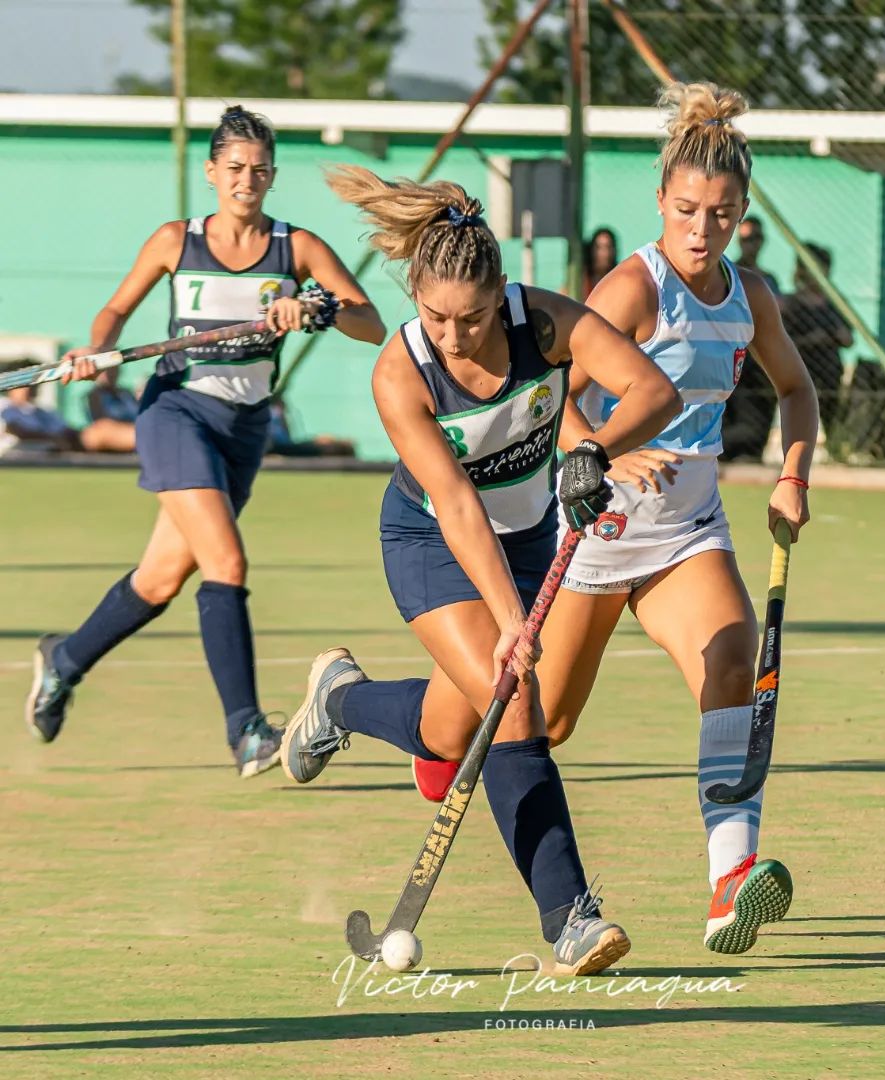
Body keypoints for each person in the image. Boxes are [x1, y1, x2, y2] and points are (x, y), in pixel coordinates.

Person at [279, 169, 680, 974]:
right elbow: (459, 505)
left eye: (471, 318)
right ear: (416, 301)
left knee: (452, 727)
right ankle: (571, 918)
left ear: (501, 297)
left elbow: (654, 390)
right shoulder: (401, 373)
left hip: (528, 538)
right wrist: (508, 621)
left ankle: (340, 699)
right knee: (518, 703)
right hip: (431, 540)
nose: (454, 337)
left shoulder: (548, 324)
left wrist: (594, 449)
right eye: (435, 318)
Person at [537, 83, 819, 956]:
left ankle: (731, 881)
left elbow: (797, 389)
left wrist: (793, 474)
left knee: (732, 665)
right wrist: (605, 454)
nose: (703, 231)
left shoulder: (748, 296)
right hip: (599, 527)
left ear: (741, 215)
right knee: (544, 724)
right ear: (660, 200)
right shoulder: (632, 288)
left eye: (722, 216)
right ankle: (386, 715)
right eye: (688, 211)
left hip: (689, 531)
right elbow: (550, 396)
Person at [23, 105, 386, 777]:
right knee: (226, 560)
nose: (247, 180)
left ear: (272, 176)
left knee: (161, 577)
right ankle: (245, 731)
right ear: (212, 172)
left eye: (261, 169)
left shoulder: (297, 248)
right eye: (235, 168)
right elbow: (115, 310)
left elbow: (373, 324)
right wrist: (96, 351)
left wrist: (317, 308)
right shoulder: (176, 241)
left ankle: (63, 661)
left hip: (244, 429)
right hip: (177, 412)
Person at [721, 214, 779, 461]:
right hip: (729, 356)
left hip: (758, 362)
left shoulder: (768, 280)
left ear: (762, 241)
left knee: (755, 428)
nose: (750, 244)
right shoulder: (727, 273)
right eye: (745, 239)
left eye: (755, 238)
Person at [782, 243, 852, 449]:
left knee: (831, 410)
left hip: (829, 369)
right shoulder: (791, 304)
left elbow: (848, 339)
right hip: (801, 368)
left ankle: (834, 446)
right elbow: (784, 341)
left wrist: (834, 336)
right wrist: (811, 339)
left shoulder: (834, 303)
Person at [0, 379, 135, 454]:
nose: (29, 389)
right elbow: (14, 430)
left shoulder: (42, 411)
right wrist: (55, 439)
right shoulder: (5, 406)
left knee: (104, 427)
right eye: (24, 385)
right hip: (49, 444)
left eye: (32, 385)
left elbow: (65, 429)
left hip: (68, 440)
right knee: (103, 431)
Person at [582, 227, 618, 298]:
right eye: (599, 247)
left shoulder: (619, 280)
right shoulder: (581, 280)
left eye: (608, 247)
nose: (605, 253)